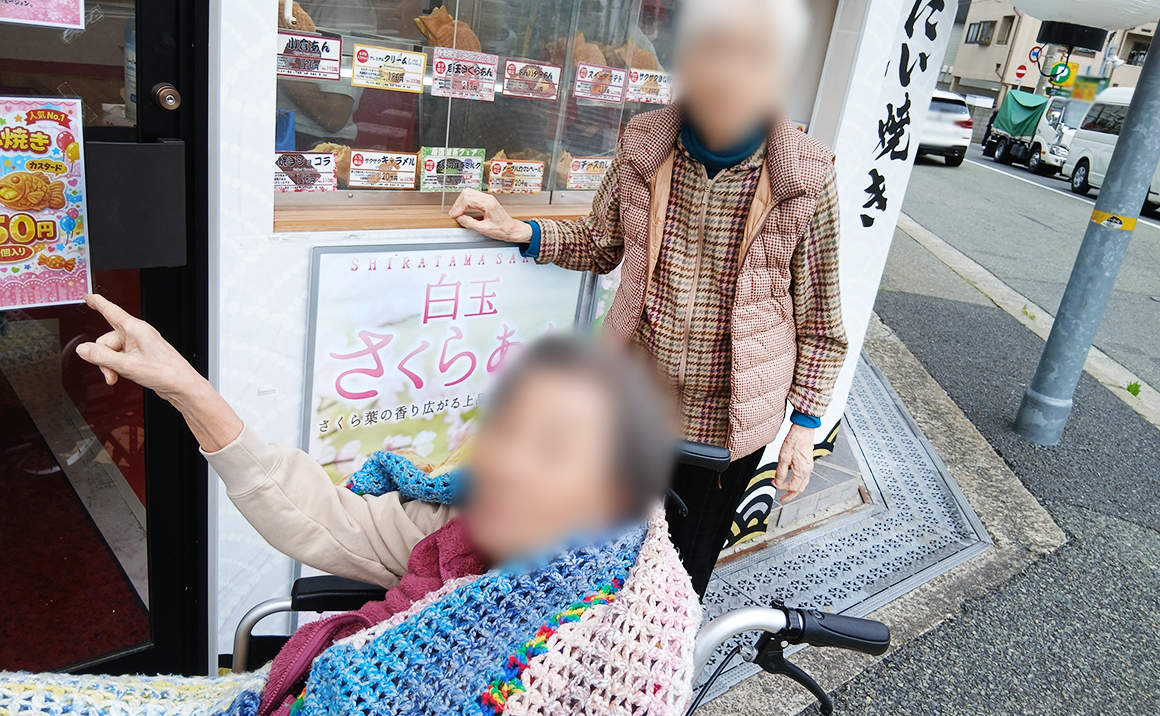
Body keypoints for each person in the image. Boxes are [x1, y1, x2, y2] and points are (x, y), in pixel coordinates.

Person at [0, 295, 700, 715]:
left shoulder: (621, 645)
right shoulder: (461, 523)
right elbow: (323, 517)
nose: (508, 463)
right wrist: (188, 389)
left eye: (551, 449)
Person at [448, 0, 847, 598]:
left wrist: (804, 427)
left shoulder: (806, 178)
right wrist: (521, 230)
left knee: (681, 578)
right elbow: (600, 242)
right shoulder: (645, 146)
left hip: (728, 427)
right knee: (599, 563)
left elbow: (822, 321)